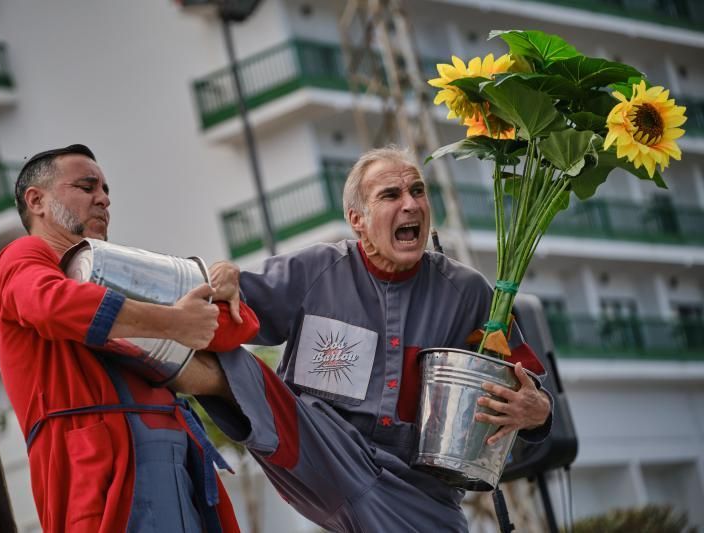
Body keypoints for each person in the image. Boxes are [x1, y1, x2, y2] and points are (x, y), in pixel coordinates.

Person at [189, 146, 553, 532]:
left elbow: (530, 386)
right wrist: (223, 273)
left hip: (420, 491)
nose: (410, 204)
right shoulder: (315, 270)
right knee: (234, 363)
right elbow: (228, 305)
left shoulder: (468, 291)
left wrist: (538, 411)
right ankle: (150, 353)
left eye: (417, 191)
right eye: (391, 195)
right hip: (325, 450)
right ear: (357, 219)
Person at [0, 144, 253, 533]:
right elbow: (50, 305)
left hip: (175, 458)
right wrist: (171, 322)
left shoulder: (112, 268)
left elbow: (234, 326)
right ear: (37, 201)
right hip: (103, 472)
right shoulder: (23, 254)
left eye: (106, 189)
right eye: (86, 186)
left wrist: (227, 280)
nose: (104, 198)